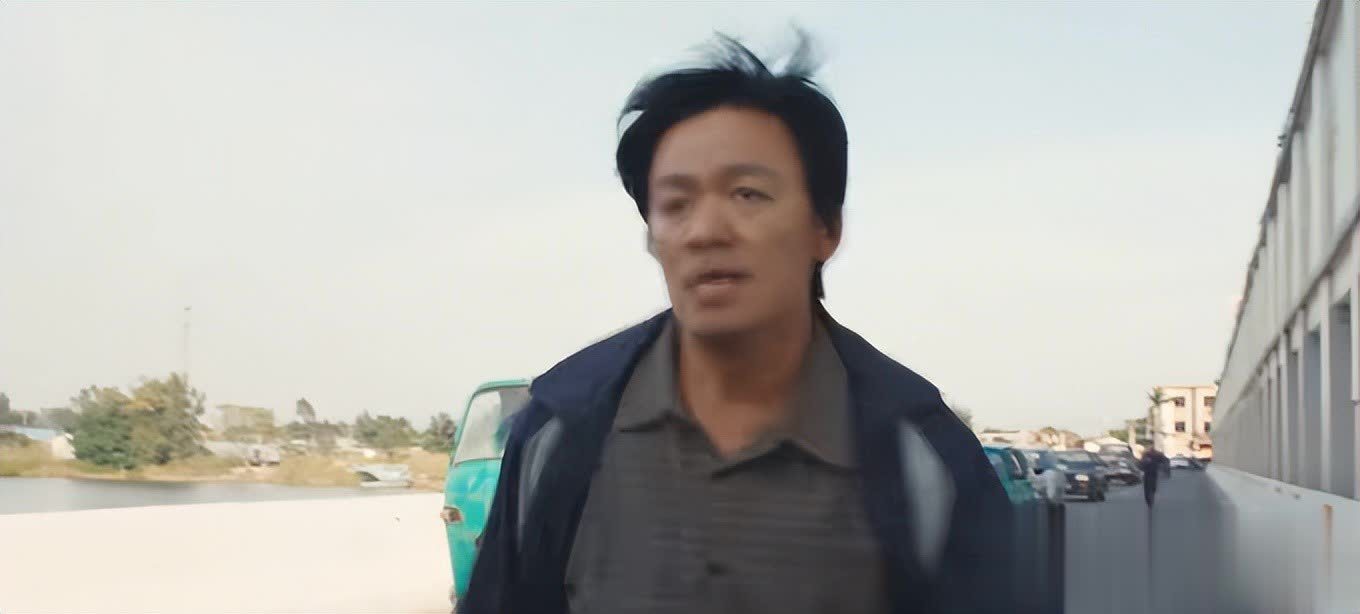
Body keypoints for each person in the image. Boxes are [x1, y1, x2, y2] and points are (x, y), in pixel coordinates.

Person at [461, 31, 1014, 614]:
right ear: (652, 238)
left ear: (826, 229)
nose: (705, 231)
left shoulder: (923, 459)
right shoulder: (561, 430)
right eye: (675, 204)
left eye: (747, 195)